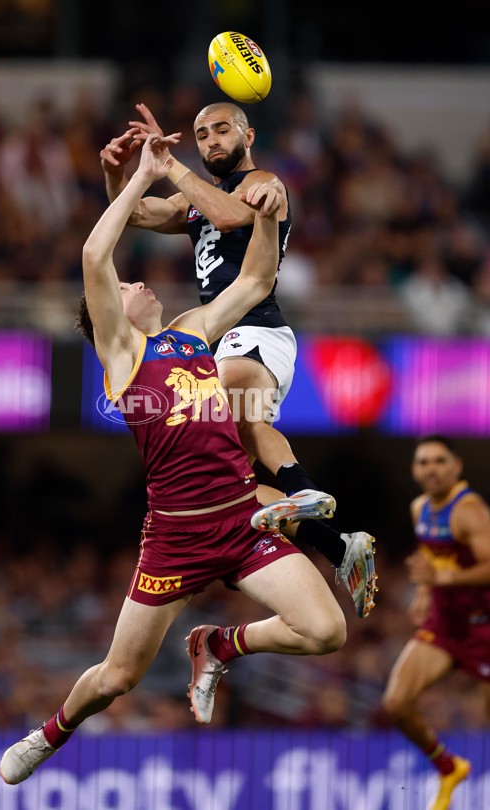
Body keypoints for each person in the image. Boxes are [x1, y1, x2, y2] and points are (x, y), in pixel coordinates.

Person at [0, 133, 348, 785]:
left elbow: (256, 280)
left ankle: (217, 643)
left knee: (326, 630)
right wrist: (144, 174)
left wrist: (270, 212)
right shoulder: (122, 356)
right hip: (175, 539)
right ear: (109, 317)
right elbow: (94, 251)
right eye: (127, 286)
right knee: (119, 677)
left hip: (240, 523)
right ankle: (51, 733)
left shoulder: (188, 331)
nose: (136, 283)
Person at [99, 100, 377, 617]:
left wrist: (170, 166)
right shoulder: (195, 199)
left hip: (256, 324)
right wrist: (118, 175)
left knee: (239, 415)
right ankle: (337, 545)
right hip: (219, 330)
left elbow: (228, 216)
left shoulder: (263, 181)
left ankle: (304, 492)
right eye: (202, 135)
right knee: (231, 481)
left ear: (247, 136)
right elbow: (135, 213)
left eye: (221, 130)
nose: (210, 142)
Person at [381, 434, 490, 810]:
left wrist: (440, 581)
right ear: (414, 470)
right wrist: (426, 593)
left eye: (440, 461)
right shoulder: (419, 509)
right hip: (446, 624)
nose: (432, 468)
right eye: (424, 462)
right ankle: (448, 767)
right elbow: (433, 554)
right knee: (396, 703)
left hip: (484, 627)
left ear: (456, 466)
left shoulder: (470, 510)